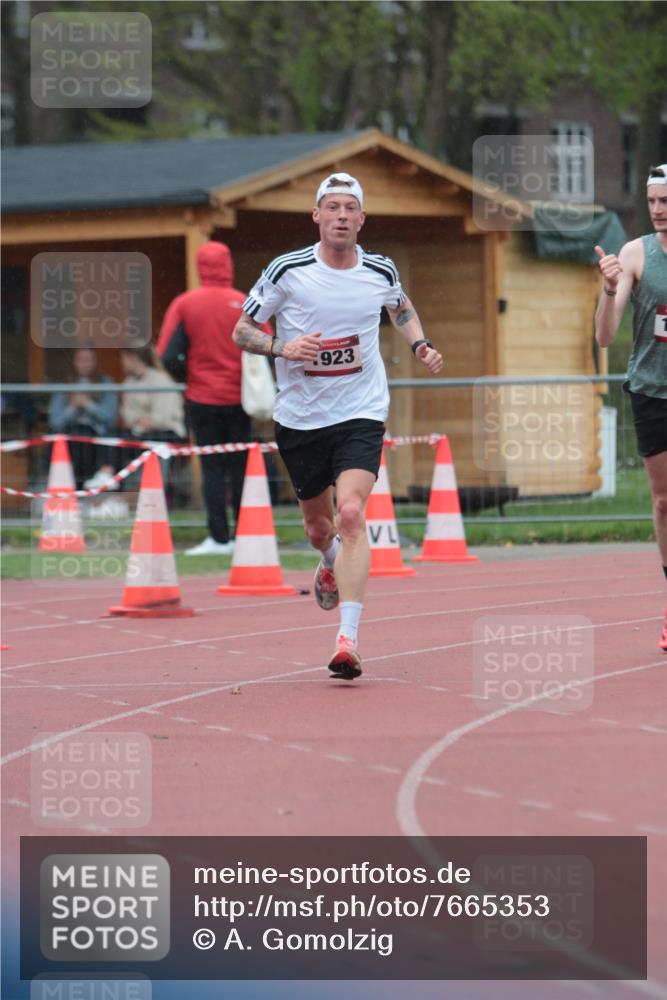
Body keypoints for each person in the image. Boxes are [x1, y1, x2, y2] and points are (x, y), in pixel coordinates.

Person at [233, 172, 443, 679]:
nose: (342, 216)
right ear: (317, 216)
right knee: (319, 527)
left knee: (350, 514)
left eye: (351, 208)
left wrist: (419, 343)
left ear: (362, 218)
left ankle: (347, 639)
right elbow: (242, 330)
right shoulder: (288, 271)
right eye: (333, 207)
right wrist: (284, 346)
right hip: (301, 417)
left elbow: (402, 306)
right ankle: (328, 559)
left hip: (361, 411)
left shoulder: (379, 269)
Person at [157, 241, 273, 556]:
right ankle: (243, 533)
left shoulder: (185, 304)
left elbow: (166, 355)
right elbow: (270, 345)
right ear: (228, 264)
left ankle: (218, 538)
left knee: (211, 468)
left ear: (199, 266)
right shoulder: (245, 302)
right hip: (241, 399)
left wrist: (188, 376)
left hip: (202, 398)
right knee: (239, 466)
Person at [594, 163, 667, 652]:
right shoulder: (636, 253)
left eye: (666, 201)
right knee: (664, 501)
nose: (659, 210)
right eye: (653, 201)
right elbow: (604, 334)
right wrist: (607, 288)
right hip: (652, 391)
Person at [88, 347, 186, 491]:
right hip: (140, 433)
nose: (122, 363)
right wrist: (141, 420)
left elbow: (164, 416)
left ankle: (109, 477)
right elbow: (128, 415)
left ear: (133, 358)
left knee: (126, 441)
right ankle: (107, 475)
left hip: (167, 433)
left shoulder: (160, 379)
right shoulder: (128, 382)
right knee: (112, 435)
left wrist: (148, 420)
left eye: (123, 358)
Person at [48, 347, 117, 490]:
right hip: (70, 433)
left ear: (95, 362)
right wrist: (72, 407)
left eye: (89, 360)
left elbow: (110, 417)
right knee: (72, 443)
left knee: (89, 443)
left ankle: (90, 487)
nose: (85, 364)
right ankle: (74, 488)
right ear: (74, 362)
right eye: (81, 360)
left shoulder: (105, 383)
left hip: (97, 434)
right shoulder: (64, 385)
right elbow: (55, 421)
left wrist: (89, 405)